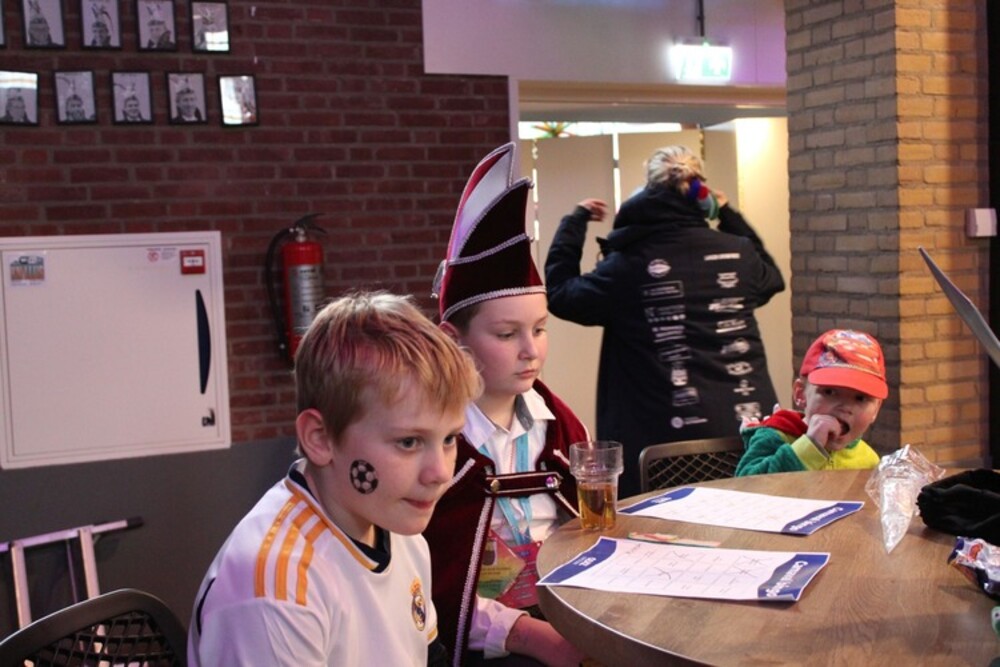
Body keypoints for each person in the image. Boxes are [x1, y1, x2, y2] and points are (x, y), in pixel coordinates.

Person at [188, 291, 482, 666]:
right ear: (321, 439)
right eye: (408, 442)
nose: (441, 472)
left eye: (450, 439)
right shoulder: (277, 590)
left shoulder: (401, 532)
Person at [424, 143, 590, 667]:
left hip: (570, 621)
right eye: (506, 334)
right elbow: (421, 583)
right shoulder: (428, 443)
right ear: (453, 338)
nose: (530, 351)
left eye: (540, 329)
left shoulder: (563, 427)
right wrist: (526, 635)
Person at [545, 145, 785, 496]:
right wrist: (728, 213)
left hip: (661, 448)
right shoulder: (738, 251)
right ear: (702, 194)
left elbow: (561, 294)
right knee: (747, 517)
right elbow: (772, 278)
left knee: (663, 525)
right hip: (743, 432)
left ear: (646, 191)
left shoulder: (628, 264)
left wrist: (574, 223)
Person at [735, 329, 886, 476]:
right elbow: (744, 485)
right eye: (829, 392)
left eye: (860, 398)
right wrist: (809, 446)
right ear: (801, 394)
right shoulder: (775, 437)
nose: (845, 407)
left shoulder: (869, 461)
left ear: (876, 409)